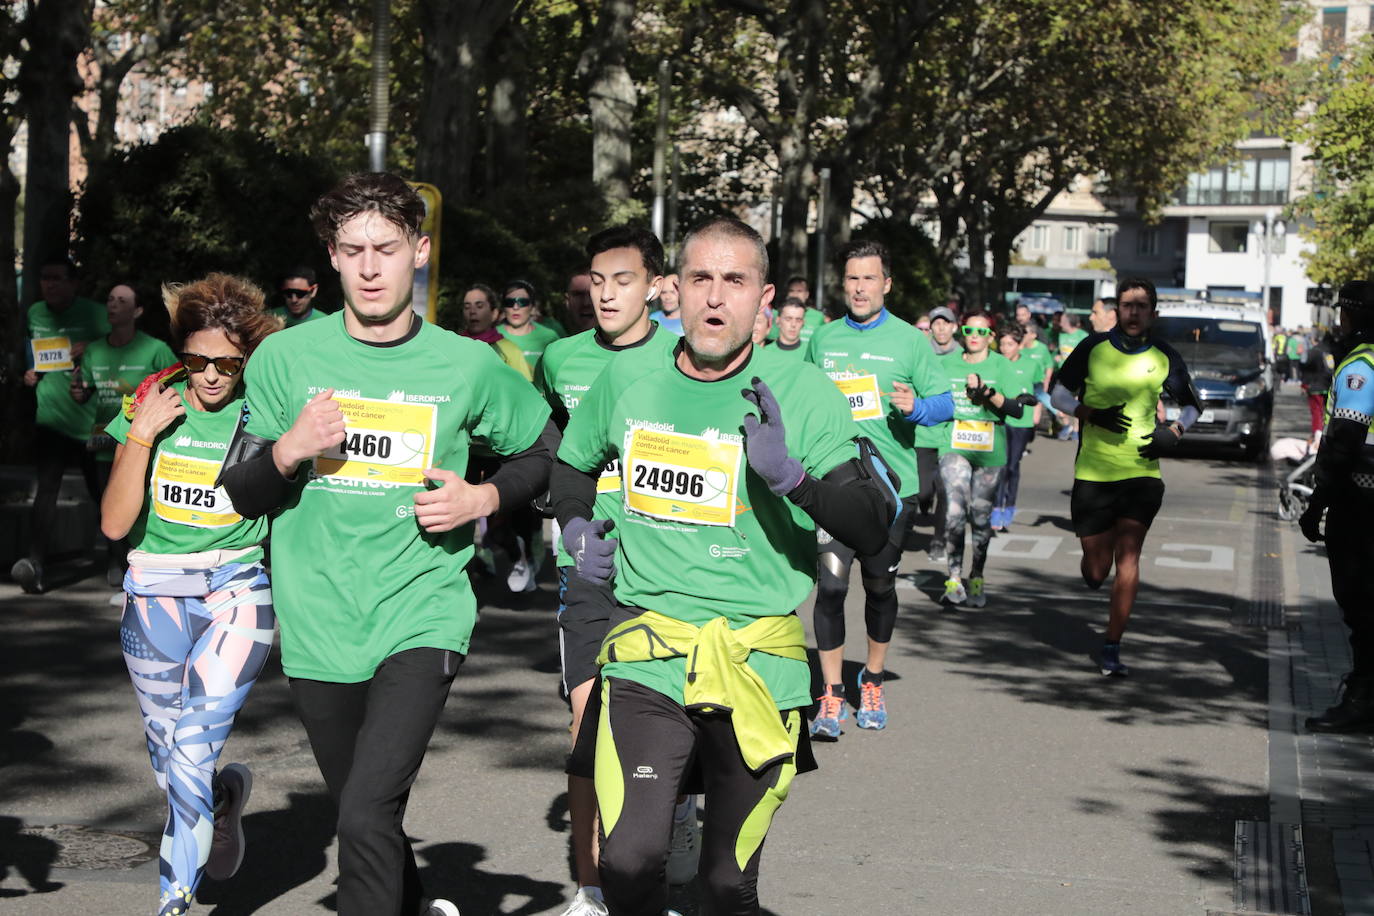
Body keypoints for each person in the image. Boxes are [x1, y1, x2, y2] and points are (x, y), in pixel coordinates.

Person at [221, 172, 556, 916]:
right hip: (318, 621)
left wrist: (484, 497)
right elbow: (240, 491)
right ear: (332, 258)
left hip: (422, 612)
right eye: (352, 250)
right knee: (363, 816)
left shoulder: (466, 364)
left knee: (366, 815)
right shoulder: (285, 359)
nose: (370, 267)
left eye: (387, 248)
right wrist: (290, 449)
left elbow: (546, 455)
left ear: (420, 252)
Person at [552, 216, 900, 915]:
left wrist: (792, 478)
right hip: (649, 647)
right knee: (628, 860)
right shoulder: (629, 374)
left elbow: (872, 525)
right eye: (701, 279)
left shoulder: (800, 392)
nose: (715, 298)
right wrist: (575, 534)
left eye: (734, 281)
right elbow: (570, 467)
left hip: (756, 659)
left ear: (763, 298)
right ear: (674, 291)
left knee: (722, 883)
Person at [100, 273, 278, 916]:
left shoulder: (267, 407)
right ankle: (223, 802)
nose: (210, 375)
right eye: (197, 360)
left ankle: (172, 901)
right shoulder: (151, 401)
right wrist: (142, 433)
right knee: (172, 764)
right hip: (152, 596)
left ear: (246, 359)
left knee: (192, 751)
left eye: (227, 362)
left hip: (236, 590)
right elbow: (115, 526)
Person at [535, 224, 680, 916]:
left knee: (671, 723)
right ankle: (590, 888)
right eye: (598, 281)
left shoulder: (685, 357)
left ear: (655, 285)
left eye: (623, 280)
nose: (608, 294)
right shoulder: (561, 358)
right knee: (587, 722)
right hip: (587, 566)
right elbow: (550, 452)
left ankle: (669, 832)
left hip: (670, 569)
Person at [805, 240, 953, 737]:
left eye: (869, 278)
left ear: (886, 283)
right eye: (852, 279)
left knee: (879, 585)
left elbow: (944, 404)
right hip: (833, 484)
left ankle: (871, 678)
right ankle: (831, 695)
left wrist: (915, 409)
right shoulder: (822, 340)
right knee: (829, 587)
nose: (860, 288)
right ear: (842, 283)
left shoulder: (911, 341)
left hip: (893, 489)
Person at [1050, 277, 1201, 676]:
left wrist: (1174, 432)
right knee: (1096, 570)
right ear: (1118, 310)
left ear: (1153, 312)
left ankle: (1112, 645)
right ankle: (1092, 568)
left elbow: (1191, 406)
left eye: (1141, 306)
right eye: (1127, 305)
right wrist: (1090, 413)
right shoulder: (1093, 347)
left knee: (1129, 556)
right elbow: (1058, 395)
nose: (1133, 313)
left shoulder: (1165, 355)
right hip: (1093, 473)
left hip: (1142, 471)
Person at [1301, 281, 1374, 732]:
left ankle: (1362, 701)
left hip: (1362, 502)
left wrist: (1317, 503)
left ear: (1348, 315)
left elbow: (1345, 439)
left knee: (1360, 604)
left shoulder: (1361, 366)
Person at [12, 258, 110, 594]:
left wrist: (94, 348)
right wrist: (29, 373)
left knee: (102, 492)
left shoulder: (98, 315)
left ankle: (120, 559)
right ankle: (34, 563)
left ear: (74, 283)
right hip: (51, 417)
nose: (49, 285)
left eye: (57, 278)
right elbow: (33, 355)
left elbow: (121, 347)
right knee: (47, 490)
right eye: (44, 278)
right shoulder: (37, 313)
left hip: (92, 421)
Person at [70, 283, 177, 584]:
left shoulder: (155, 349)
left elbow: (175, 382)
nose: (113, 305)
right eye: (110, 299)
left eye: (122, 300)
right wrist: (79, 393)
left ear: (138, 310)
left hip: (140, 440)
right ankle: (115, 559)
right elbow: (86, 392)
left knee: (136, 501)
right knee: (104, 500)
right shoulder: (94, 350)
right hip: (103, 436)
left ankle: (129, 565)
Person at [933, 312, 1025, 606]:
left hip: (990, 450)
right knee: (954, 513)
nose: (974, 335)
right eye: (969, 329)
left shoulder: (1000, 364)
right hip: (953, 445)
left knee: (981, 518)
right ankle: (954, 578)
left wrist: (987, 393)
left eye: (981, 331)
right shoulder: (947, 364)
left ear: (991, 337)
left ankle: (976, 575)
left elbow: (1016, 409)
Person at [914, 305, 961, 561]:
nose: (941, 328)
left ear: (954, 326)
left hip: (952, 437)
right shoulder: (920, 354)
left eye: (946, 323)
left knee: (946, 490)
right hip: (922, 434)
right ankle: (924, 503)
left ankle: (938, 540)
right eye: (936, 323)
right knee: (923, 491)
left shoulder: (965, 357)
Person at [990, 321, 1042, 531]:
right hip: (1000, 421)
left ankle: (1009, 506)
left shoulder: (1031, 364)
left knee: (1012, 466)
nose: (1005, 349)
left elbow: (1038, 390)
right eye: (1002, 344)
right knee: (999, 466)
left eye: (1009, 344)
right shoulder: (995, 363)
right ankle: (995, 508)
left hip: (1022, 421)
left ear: (1019, 345)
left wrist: (1037, 411)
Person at [460, 283, 533, 380]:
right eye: (467, 307)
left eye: (479, 306)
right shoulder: (455, 346)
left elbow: (525, 389)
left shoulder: (510, 350)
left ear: (494, 313)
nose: (472, 311)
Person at [501, 280, 563, 371]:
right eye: (509, 302)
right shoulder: (492, 337)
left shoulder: (550, 337)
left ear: (533, 306)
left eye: (522, 302)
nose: (515, 307)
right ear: (503, 307)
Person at [1054, 312, 1088, 440]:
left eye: (1062, 320)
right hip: (1063, 373)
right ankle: (1067, 426)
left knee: (1078, 402)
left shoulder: (1083, 336)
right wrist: (1057, 357)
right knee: (1062, 401)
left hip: (1079, 375)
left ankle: (1076, 430)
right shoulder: (1061, 335)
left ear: (1069, 322)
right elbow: (1061, 352)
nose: (1059, 322)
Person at [1300, 331, 1336, 439]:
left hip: (1315, 386)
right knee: (1327, 412)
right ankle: (1324, 433)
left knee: (1316, 412)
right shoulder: (1330, 352)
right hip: (1328, 385)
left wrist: (1304, 384)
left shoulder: (1314, 351)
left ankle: (1317, 434)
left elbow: (1304, 366)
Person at [649, 272, 684, 336]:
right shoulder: (651, 320)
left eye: (672, 292)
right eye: (663, 292)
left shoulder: (691, 323)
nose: (667, 297)